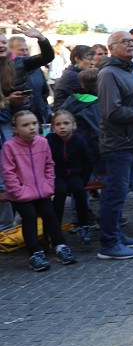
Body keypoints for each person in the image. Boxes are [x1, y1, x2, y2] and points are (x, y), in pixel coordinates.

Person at [96, 30, 133, 260]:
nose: (131, 44)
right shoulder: (109, 74)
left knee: (122, 192)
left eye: (132, 41)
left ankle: (117, 236)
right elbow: (112, 112)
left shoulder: (130, 71)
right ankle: (109, 244)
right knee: (115, 194)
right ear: (111, 47)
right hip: (119, 144)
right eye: (125, 41)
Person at [0, 110, 77, 271]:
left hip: (42, 191)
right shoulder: (9, 146)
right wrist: (17, 191)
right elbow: (8, 172)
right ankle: (35, 254)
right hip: (21, 194)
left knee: (51, 216)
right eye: (25, 125)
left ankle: (60, 247)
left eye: (34, 123)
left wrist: (48, 184)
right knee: (29, 218)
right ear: (15, 129)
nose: (31, 128)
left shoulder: (42, 143)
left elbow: (49, 165)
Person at [46, 110, 95, 245]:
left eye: (66, 123)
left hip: (75, 174)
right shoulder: (50, 141)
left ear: (74, 126)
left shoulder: (78, 140)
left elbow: (88, 160)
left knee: (79, 190)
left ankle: (83, 225)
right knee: (60, 193)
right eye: (58, 124)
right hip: (57, 175)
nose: (62, 127)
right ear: (53, 127)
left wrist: (83, 178)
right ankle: (55, 228)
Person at [1, 26, 55, 138]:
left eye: (4, 42)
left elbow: (47, 57)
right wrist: (8, 100)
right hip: (5, 124)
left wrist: (41, 38)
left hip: (25, 120)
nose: (1, 45)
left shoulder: (20, 62)